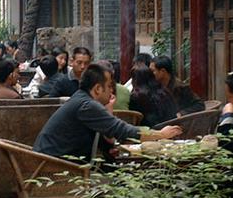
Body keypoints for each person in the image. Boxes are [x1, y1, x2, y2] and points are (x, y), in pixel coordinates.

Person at [34, 63, 182, 161]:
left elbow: (111, 133)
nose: (112, 90)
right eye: (109, 86)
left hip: (50, 161)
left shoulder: (81, 99)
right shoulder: (87, 105)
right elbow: (122, 130)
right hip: (54, 167)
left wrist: (108, 112)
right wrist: (159, 134)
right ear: (98, 89)